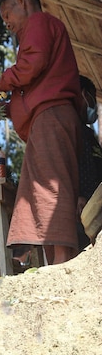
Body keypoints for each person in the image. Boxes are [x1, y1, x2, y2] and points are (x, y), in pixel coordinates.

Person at [0, 0, 82, 266]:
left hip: (51, 117)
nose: (7, 24)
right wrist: (2, 108)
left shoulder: (39, 22)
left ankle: (62, 259)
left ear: (22, 2)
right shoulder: (35, 34)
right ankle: (59, 259)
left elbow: (32, 65)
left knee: (51, 186)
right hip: (44, 119)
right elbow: (31, 88)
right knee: (40, 189)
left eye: (6, 15)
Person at [77, 75, 102, 251]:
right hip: (83, 211)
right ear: (83, 94)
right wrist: (78, 195)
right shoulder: (72, 130)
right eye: (92, 99)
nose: (93, 107)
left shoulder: (89, 135)